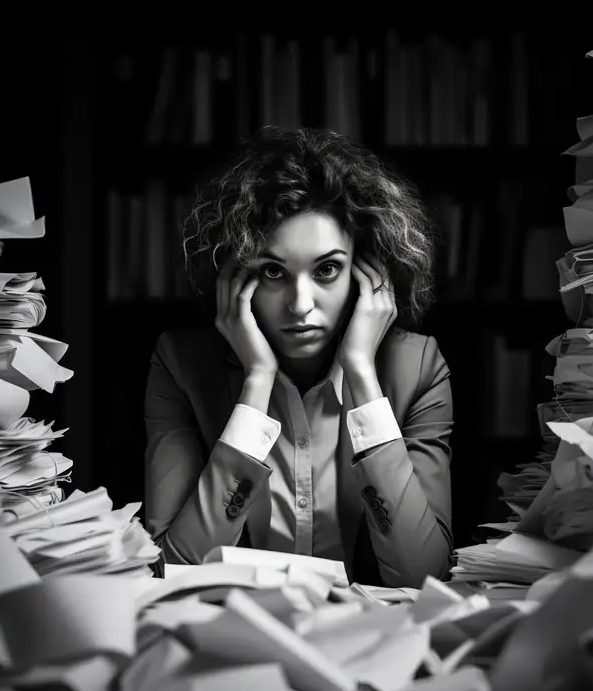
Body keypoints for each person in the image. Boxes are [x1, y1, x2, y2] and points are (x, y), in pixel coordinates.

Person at [144, 126, 453, 588]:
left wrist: (363, 378)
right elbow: (171, 570)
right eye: (273, 272)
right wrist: (257, 384)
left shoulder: (418, 369)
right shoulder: (181, 365)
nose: (301, 304)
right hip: (232, 637)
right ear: (234, 276)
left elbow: (424, 575)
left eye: (327, 269)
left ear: (367, 273)